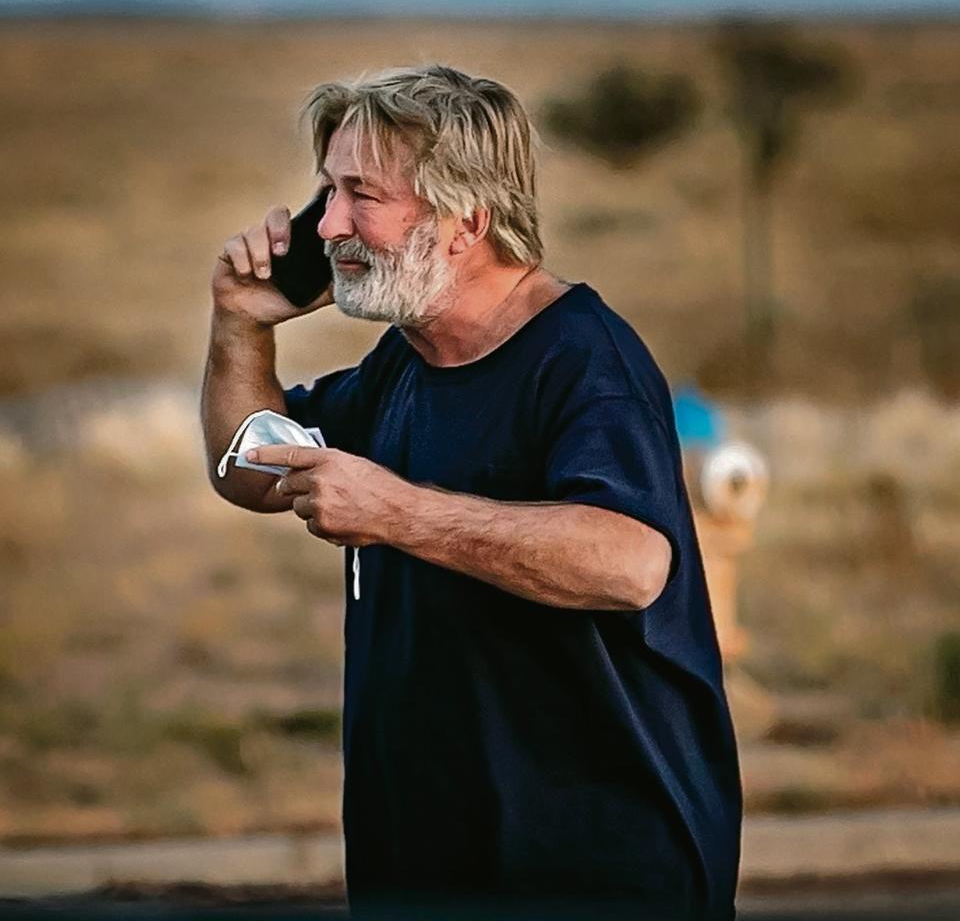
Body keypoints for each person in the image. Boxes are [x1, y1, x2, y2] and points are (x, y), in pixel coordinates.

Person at [201, 65, 741, 921]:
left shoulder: (582, 360)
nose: (329, 224)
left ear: (467, 222)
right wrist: (240, 323)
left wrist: (397, 512)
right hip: (422, 855)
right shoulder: (406, 362)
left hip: (588, 867)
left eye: (360, 196)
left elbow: (631, 562)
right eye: (326, 194)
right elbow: (249, 468)